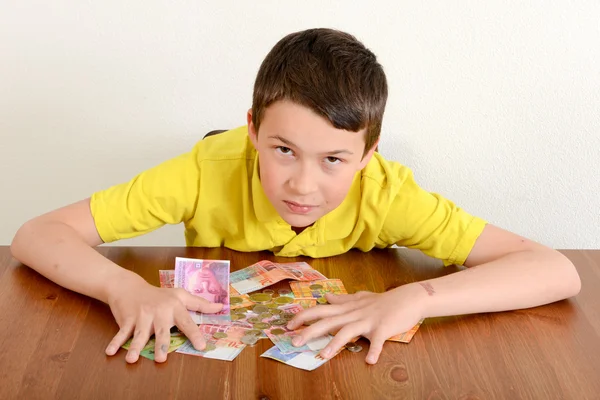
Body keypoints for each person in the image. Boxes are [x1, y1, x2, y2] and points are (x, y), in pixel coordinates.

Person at [10, 28, 581, 365]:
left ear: (368, 153)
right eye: (283, 150)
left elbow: (555, 271)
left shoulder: (386, 193)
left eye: (334, 159)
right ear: (253, 129)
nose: (303, 186)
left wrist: (418, 298)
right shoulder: (205, 171)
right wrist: (122, 286)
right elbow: (36, 234)